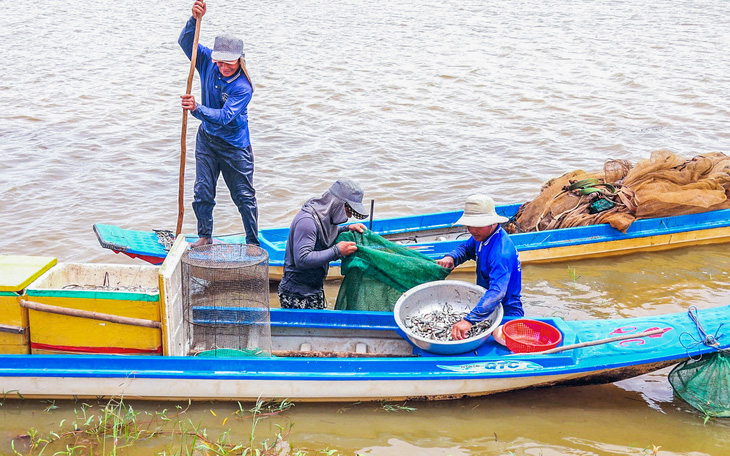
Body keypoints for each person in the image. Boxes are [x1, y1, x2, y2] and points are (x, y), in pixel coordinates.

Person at [179, 0, 258, 247]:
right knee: (202, 191)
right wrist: (193, 18)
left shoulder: (243, 87)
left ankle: (253, 243)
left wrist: (197, 108)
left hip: (234, 147)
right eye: (219, 61)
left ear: (239, 60)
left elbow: (225, 117)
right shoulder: (206, 62)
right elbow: (185, 43)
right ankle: (205, 236)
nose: (223, 67)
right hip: (207, 140)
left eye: (229, 62)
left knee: (244, 197)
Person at [436, 194, 524, 341]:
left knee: (498, 339)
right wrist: (451, 257)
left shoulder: (501, 252)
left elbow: (497, 292)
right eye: (470, 225)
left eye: (478, 225)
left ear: (492, 223)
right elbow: (466, 248)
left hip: (506, 312)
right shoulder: (483, 236)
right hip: (486, 307)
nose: (472, 230)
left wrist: (469, 320)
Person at [278, 179, 369, 309]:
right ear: (338, 204)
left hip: (314, 288)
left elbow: (324, 233)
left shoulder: (325, 216)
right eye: (349, 211)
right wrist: (337, 251)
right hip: (296, 294)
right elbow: (302, 259)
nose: (348, 216)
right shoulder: (307, 222)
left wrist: (347, 228)